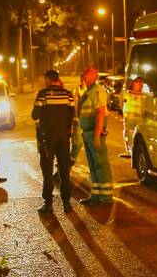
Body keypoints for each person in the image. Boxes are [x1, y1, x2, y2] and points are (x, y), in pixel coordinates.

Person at [32, 70, 76, 214]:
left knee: (47, 170)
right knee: (64, 170)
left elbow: (34, 115)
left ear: (48, 79)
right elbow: (72, 115)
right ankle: (67, 203)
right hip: (64, 137)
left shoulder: (43, 94)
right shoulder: (68, 94)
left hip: (47, 138)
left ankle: (48, 203)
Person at [77, 67, 113, 205]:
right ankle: (96, 195)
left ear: (93, 76)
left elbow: (100, 113)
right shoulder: (89, 91)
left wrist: (97, 136)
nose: (84, 78)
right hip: (88, 133)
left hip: (94, 132)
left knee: (100, 164)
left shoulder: (97, 90)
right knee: (93, 165)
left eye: (86, 75)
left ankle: (106, 197)